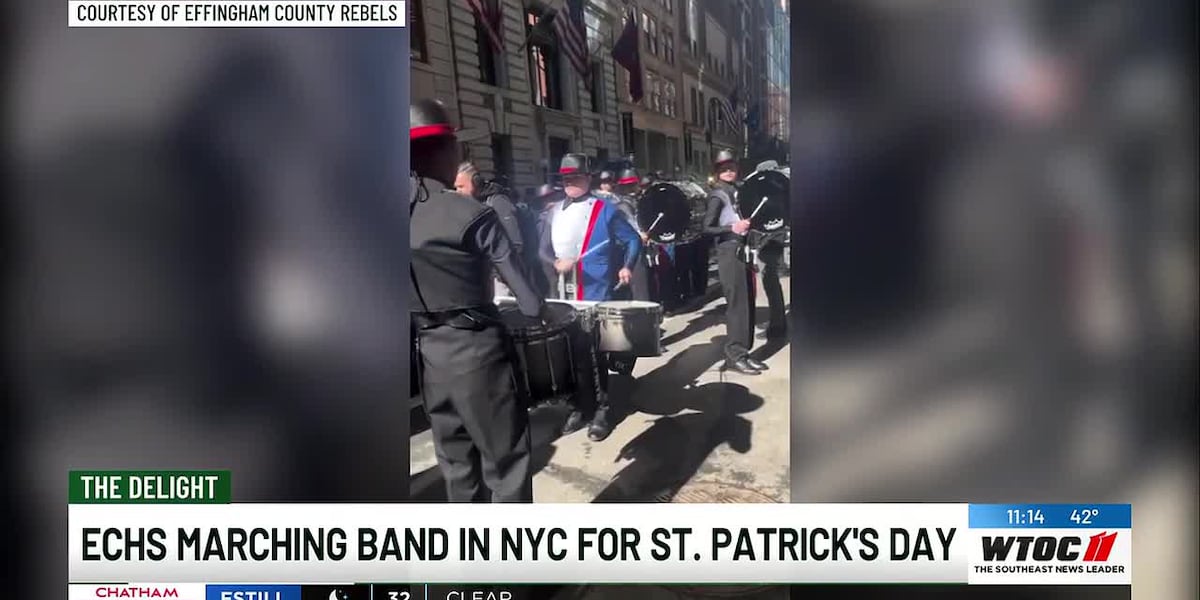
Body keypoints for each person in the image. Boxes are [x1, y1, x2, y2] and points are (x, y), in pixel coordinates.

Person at [409, 99, 546, 502]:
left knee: (457, 469)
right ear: (445, 151)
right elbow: (529, 300)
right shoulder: (471, 213)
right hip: (479, 353)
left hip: (429, 355)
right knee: (506, 467)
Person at [547, 153, 643, 440]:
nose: (569, 182)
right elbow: (541, 250)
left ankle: (603, 408)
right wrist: (555, 263)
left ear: (588, 178)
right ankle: (580, 404)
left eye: (575, 177)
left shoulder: (605, 210)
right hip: (565, 294)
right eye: (565, 178)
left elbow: (633, 240)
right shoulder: (554, 211)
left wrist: (627, 266)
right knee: (571, 354)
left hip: (596, 293)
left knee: (595, 352)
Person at [704, 150, 767, 375]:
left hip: (744, 250)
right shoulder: (717, 195)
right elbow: (706, 228)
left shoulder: (739, 190)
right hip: (729, 251)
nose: (729, 171)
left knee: (748, 301)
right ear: (717, 172)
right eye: (724, 168)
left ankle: (744, 351)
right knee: (737, 304)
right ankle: (734, 354)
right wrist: (731, 227)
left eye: (731, 167)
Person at [456, 162, 537, 298]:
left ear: (476, 182)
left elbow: (516, 243)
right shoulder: (470, 205)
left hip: (499, 278)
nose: (458, 191)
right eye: (456, 187)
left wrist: (501, 273)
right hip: (480, 275)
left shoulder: (499, 202)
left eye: (461, 187)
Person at [753, 160, 788, 340]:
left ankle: (777, 326)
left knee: (770, 279)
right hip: (776, 236)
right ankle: (778, 322)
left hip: (770, 237)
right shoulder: (783, 187)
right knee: (771, 280)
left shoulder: (772, 190)